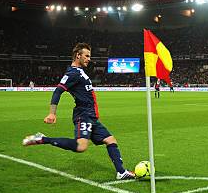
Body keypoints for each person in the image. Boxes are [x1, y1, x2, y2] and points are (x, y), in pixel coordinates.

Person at [22, 43, 135, 180]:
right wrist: (52, 113)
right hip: (84, 115)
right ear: (78, 55)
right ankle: (43, 139)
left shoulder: (80, 72)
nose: (89, 59)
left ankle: (121, 172)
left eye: (89, 56)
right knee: (81, 146)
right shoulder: (72, 73)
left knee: (110, 140)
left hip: (91, 116)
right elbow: (58, 91)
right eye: (86, 56)